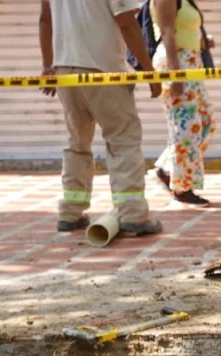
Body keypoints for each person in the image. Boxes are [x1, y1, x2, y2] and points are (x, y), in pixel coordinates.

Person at [39, 0, 163, 235]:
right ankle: (132, 213)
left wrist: (48, 66)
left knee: (77, 142)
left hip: (65, 70)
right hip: (102, 70)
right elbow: (126, 23)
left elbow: (46, 19)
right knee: (123, 140)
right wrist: (148, 71)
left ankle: (70, 211)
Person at [151, 0, 215, 206]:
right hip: (176, 63)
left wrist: (203, 42)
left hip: (191, 61)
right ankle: (181, 186)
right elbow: (167, 32)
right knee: (185, 127)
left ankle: (166, 167)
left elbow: (183, 31)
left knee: (205, 123)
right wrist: (175, 75)